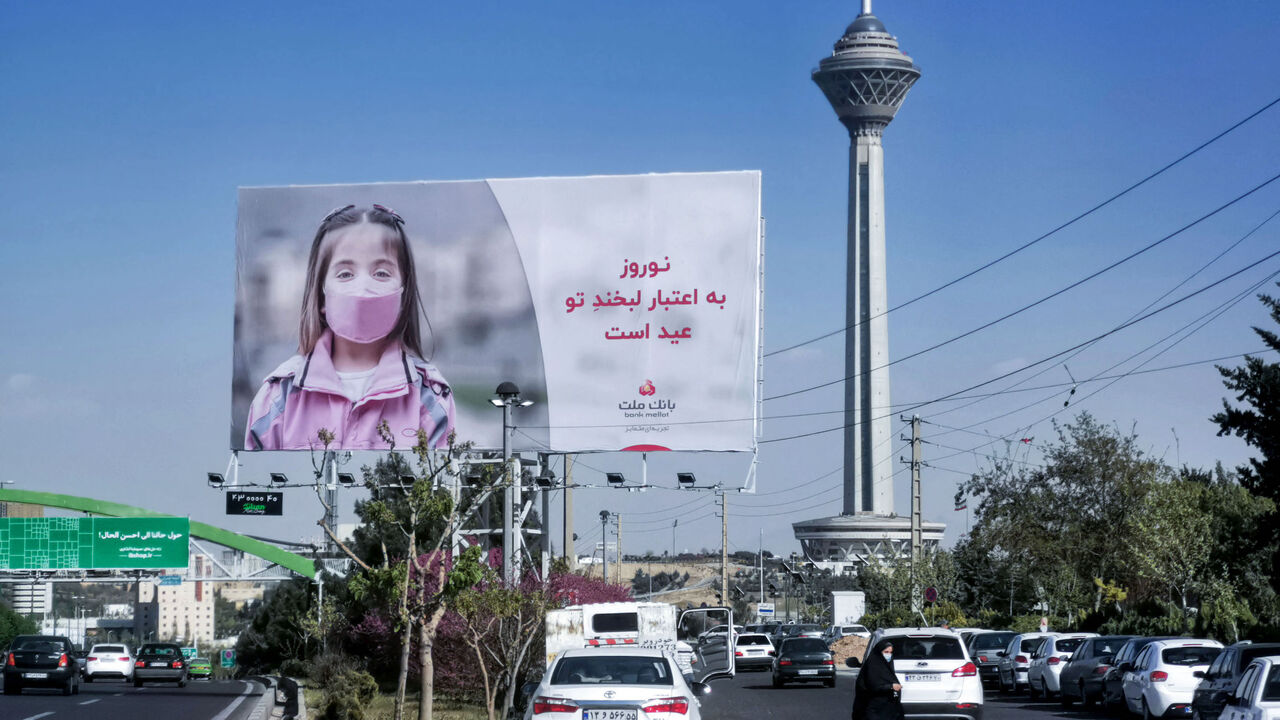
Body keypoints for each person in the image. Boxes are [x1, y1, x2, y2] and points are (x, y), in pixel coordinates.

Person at [245, 204, 455, 450]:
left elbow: (442, 483)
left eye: (382, 273)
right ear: (321, 295)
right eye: (345, 274)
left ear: (403, 293)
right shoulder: (278, 396)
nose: (363, 288)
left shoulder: (430, 397)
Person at [851, 639, 904, 720]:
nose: (889, 655)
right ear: (879, 652)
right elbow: (873, 686)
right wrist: (891, 686)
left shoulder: (887, 667)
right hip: (872, 709)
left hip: (887, 708)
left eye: (890, 652)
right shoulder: (872, 666)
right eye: (886, 652)